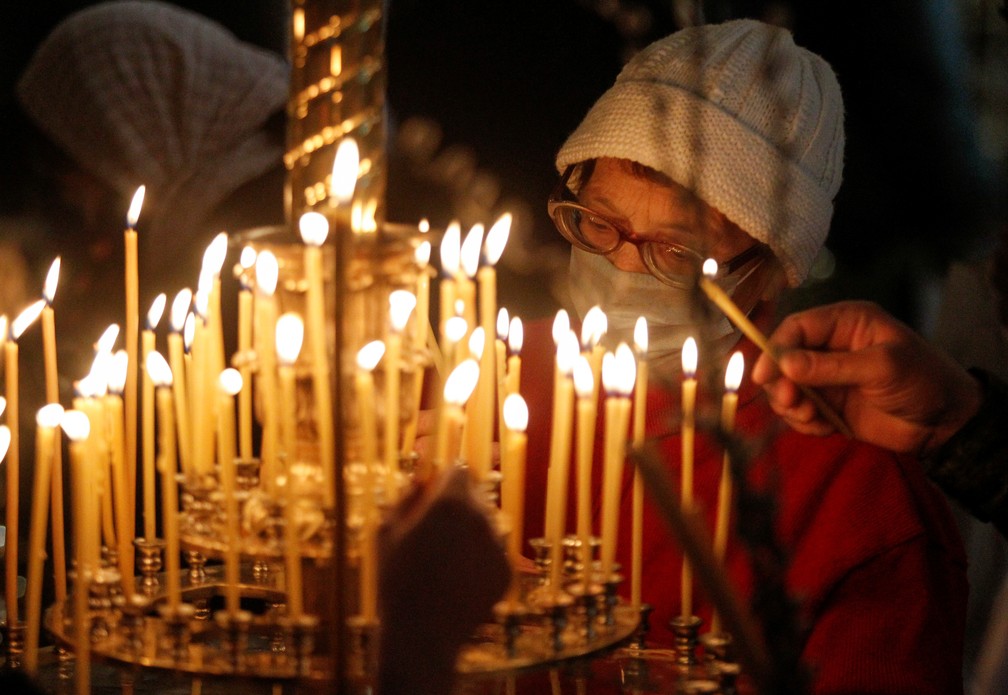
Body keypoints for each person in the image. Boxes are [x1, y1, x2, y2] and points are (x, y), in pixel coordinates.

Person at [512, 18, 967, 693]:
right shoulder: (498, 382)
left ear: (773, 269)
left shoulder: (855, 498)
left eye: (679, 252)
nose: (623, 268)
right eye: (600, 223)